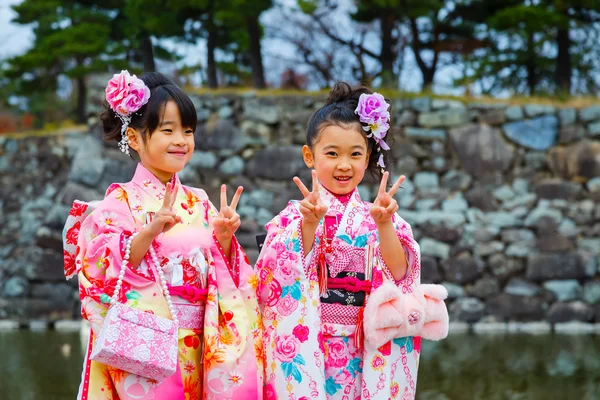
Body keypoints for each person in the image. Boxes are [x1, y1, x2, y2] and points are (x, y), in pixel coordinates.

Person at [63, 71, 263, 400]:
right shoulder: (119, 203)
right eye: (167, 130)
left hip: (203, 343)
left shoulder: (198, 200)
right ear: (136, 138)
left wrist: (224, 239)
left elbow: (227, 276)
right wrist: (149, 232)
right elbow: (100, 273)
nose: (182, 140)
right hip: (148, 348)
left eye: (187, 130)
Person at [256, 82, 426, 400]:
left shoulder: (380, 214)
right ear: (310, 156)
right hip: (312, 339)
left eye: (355, 154)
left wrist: (385, 224)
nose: (344, 164)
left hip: (365, 343)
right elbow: (276, 277)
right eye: (332, 153)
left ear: (369, 158)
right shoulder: (295, 216)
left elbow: (401, 274)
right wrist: (308, 223)